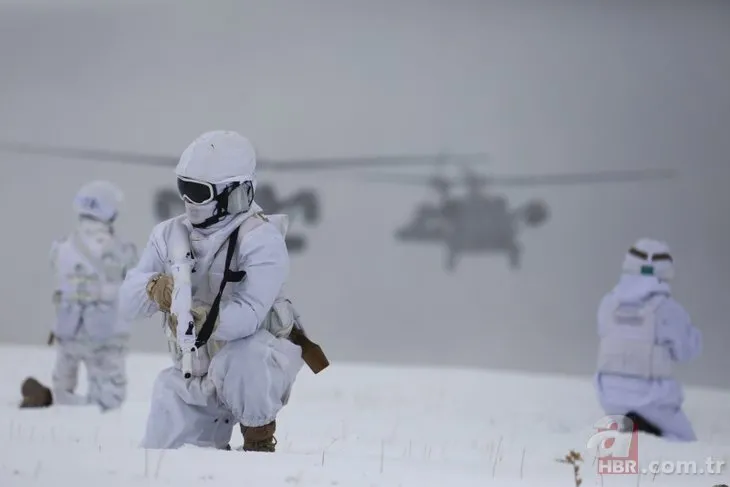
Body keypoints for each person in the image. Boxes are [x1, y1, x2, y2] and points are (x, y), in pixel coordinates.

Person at [117, 130, 328, 452]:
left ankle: (258, 436)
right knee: (163, 457)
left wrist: (203, 320)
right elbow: (127, 303)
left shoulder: (260, 239)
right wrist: (155, 289)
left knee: (245, 357)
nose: (189, 201)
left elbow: (250, 314)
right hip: (192, 368)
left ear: (234, 192)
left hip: (256, 366)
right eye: (184, 188)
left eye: (199, 192)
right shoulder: (169, 235)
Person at [20, 180, 138, 411]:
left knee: (63, 388)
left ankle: (53, 402)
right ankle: (79, 409)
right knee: (110, 399)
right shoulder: (118, 249)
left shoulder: (62, 246)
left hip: (67, 327)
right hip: (105, 331)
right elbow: (132, 277)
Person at [594, 238, 702, 441]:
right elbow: (687, 351)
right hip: (654, 398)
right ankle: (651, 437)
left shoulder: (607, 304)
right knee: (685, 443)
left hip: (609, 397)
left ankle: (634, 433)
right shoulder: (667, 309)